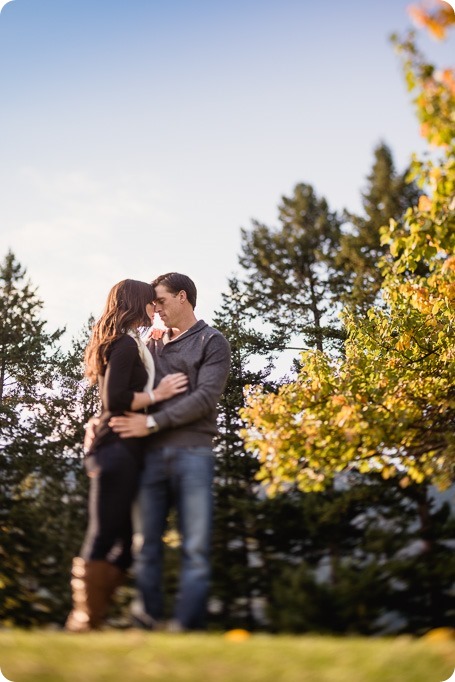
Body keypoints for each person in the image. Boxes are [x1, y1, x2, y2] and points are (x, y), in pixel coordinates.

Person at [110, 272, 231, 631]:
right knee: (145, 543)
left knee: (194, 547)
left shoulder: (213, 341)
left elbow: (204, 399)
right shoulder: (151, 344)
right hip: (148, 457)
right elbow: (123, 388)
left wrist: (151, 424)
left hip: (193, 453)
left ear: (183, 297)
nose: (154, 309)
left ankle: (186, 626)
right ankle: (146, 619)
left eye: (160, 300)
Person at [65, 278, 188, 632]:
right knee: (105, 535)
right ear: (137, 304)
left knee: (126, 540)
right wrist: (159, 393)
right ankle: (84, 620)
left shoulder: (133, 343)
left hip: (128, 451)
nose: (155, 308)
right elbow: (114, 401)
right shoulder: (121, 344)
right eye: (151, 303)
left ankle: (93, 616)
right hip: (115, 448)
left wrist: (156, 343)